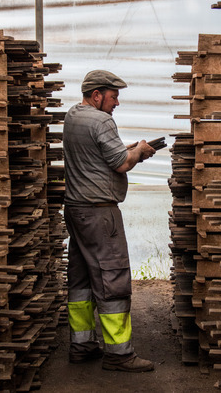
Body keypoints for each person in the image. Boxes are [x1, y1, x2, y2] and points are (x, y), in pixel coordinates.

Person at [63, 69, 156, 372]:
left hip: (76, 210)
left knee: (80, 279)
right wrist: (139, 152)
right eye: (114, 97)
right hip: (100, 213)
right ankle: (118, 354)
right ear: (97, 95)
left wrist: (129, 148)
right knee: (112, 278)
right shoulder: (102, 120)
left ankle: (82, 345)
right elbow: (120, 163)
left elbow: (97, 154)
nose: (117, 103)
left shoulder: (73, 116)